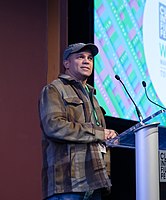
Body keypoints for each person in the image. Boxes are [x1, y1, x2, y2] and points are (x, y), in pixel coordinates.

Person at [38, 42, 118, 200]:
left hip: (95, 182)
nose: (87, 61)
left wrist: (110, 137)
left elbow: (98, 138)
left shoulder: (93, 96)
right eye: (80, 57)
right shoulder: (54, 89)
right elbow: (54, 126)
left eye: (90, 58)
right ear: (66, 63)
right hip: (67, 183)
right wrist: (99, 133)